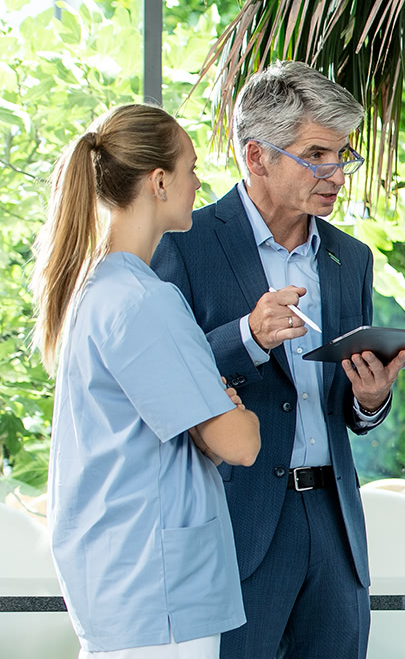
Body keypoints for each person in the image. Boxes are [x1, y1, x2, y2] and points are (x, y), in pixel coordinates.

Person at [151, 61, 405, 659]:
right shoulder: (184, 244)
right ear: (256, 156)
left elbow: (346, 407)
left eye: (343, 155)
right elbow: (160, 382)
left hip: (335, 525)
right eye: (316, 154)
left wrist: (371, 399)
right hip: (237, 519)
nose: (336, 173)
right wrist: (247, 336)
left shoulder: (351, 258)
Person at [32, 103, 261, 658]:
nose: (198, 183)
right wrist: (233, 410)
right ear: (159, 182)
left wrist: (211, 410)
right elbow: (241, 443)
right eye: (190, 169)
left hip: (124, 580)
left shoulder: (98, 291)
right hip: (158, 591)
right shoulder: (145, 301)